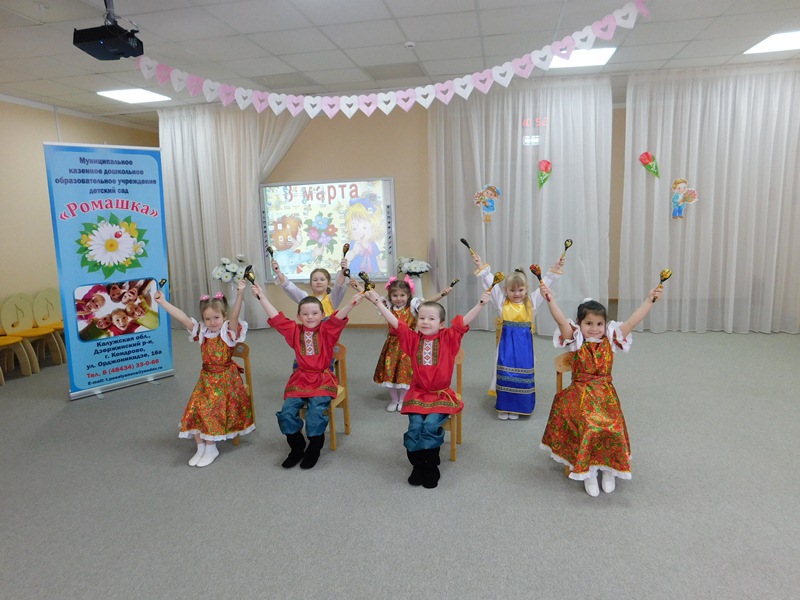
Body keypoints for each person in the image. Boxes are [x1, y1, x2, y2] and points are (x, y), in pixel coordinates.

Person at [538, 281, 663, 497]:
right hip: (580, 393)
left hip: (605, 394)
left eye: (599, 324)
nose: (594, 329)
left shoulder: (611, 338)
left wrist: (649, 300)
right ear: (579, 323)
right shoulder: (576, 339)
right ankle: (588, 471)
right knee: (590, 425)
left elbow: (633, 320)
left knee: (613, 425)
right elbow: (560, 320)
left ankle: (608, 468)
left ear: (606, 325)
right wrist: (550, 299)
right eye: (588, 323)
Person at [364, 287, 492, 489]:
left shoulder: (448, 338)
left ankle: (431, 466)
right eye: (422, 318)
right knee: (415, 426)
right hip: (418, 394)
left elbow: (462, 323)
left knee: (431, 425)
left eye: (431, 319)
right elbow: (396, 323)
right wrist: (378, 303)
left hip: (440, 395)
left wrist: (480, 304)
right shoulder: (412, 339)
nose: (425, 322)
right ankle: (417, 465)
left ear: (441, 324)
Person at [250, 281, 364, 470]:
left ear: (322, 315)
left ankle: (314, 447)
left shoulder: (327, 331)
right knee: (286, 412)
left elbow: (338, 318)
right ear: (298, 316)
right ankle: (297, 447)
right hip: (300, 379)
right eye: (305, 314)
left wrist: (351, 303)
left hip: (322, 379)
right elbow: (276, 318)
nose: (310, 317)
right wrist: (262, 297)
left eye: (314, 313)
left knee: (315, 412)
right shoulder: (294, 331)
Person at [153, 282, 254, 467]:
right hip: (206, 378)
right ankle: (201, 446)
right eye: (207, 319)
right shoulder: (202, 332)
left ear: (223, 316)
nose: (212, 322)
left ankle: (211, 446)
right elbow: (182, 317)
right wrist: (162, 302)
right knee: (195, 406)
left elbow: (234, 315)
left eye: (216, 317)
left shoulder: (228, 332)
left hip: (226, 379)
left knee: (210, 408)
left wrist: (240, 293)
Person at [471, 251, 565, 420]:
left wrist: (555, 267)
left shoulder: (532, 302)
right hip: (506, 347)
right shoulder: (501, 302)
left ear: (526, 289)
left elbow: (545, 283)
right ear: (505, 290)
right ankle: (504, 406)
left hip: (524, 348)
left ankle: (519, 407)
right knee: (505, 373)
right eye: (512, 290)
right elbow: (490, 282)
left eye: (520, 290)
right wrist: (480, 265)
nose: (517, 293)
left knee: (522, 374)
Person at [370, 275, 453, 412]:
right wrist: (361, 288)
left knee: (406, 373)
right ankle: (394, 400)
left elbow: (428, 302)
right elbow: (374, 299)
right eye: (395, 295)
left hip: (409, 344)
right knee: (389, 371)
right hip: (392, 345)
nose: (398, 298)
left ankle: (403, 399)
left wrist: (442, 294)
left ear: (408, 295)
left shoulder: (413, 306)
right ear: (390, 296)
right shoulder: (387, 306)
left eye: (402, 295)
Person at [272, 258, 349, 317]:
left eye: (322, 279)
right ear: (311, 285)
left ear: (328, 283)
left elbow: (339, 286)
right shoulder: (306, 299)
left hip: (328, 331)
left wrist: (343, 271)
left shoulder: (332, 298)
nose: (318, 282)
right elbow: (290, 287)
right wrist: (278, 272)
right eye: (315, 280)